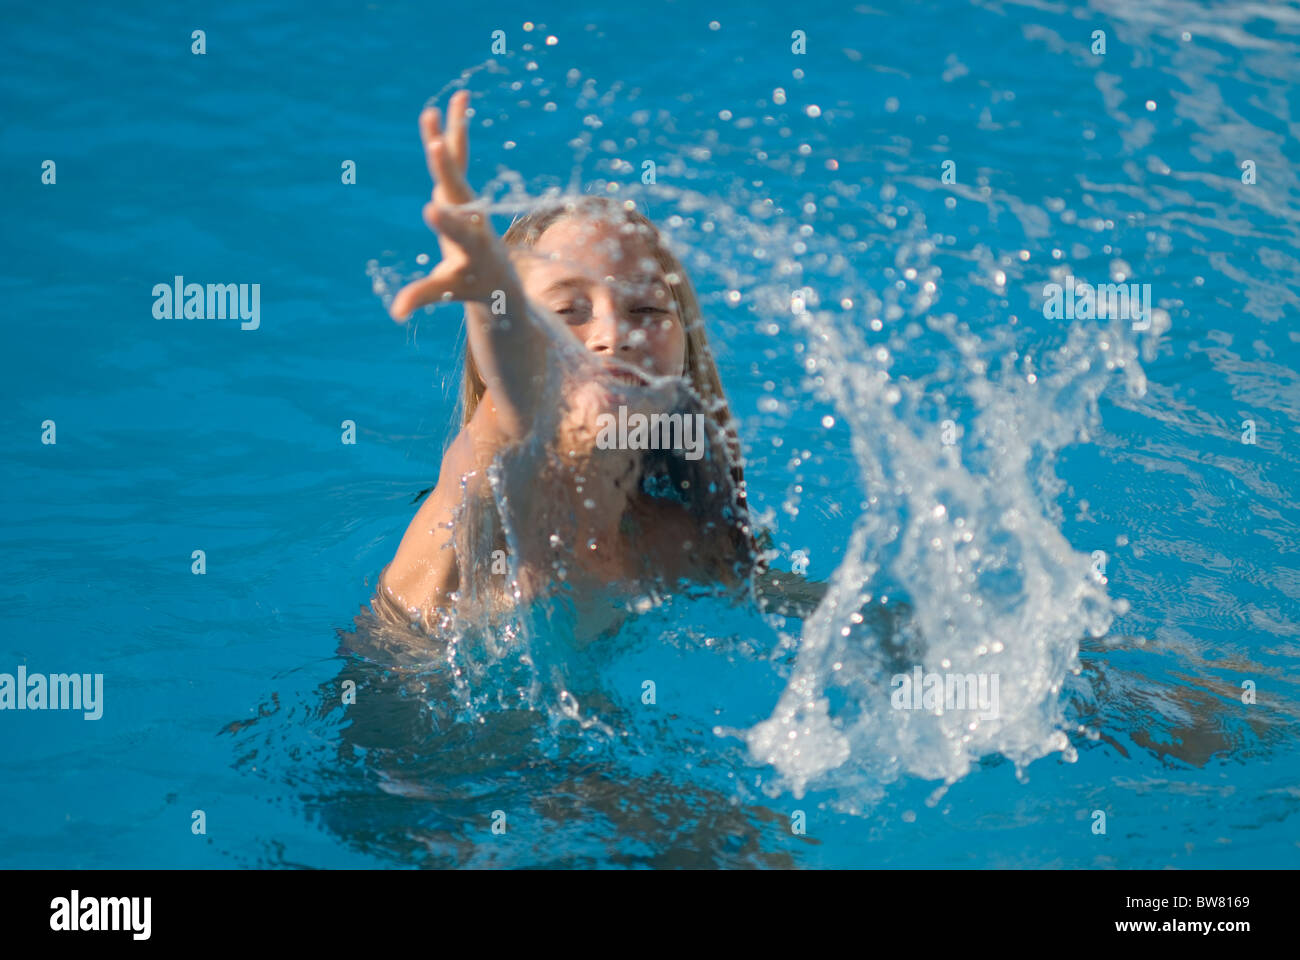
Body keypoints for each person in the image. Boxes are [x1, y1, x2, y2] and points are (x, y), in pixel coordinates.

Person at [373, 90, 759, 632]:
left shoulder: (681, 539)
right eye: (566, 310)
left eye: (646, 307)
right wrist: (489, 290)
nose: (613, 333)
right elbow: (513, 398)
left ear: (685, 346)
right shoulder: (484, 489)